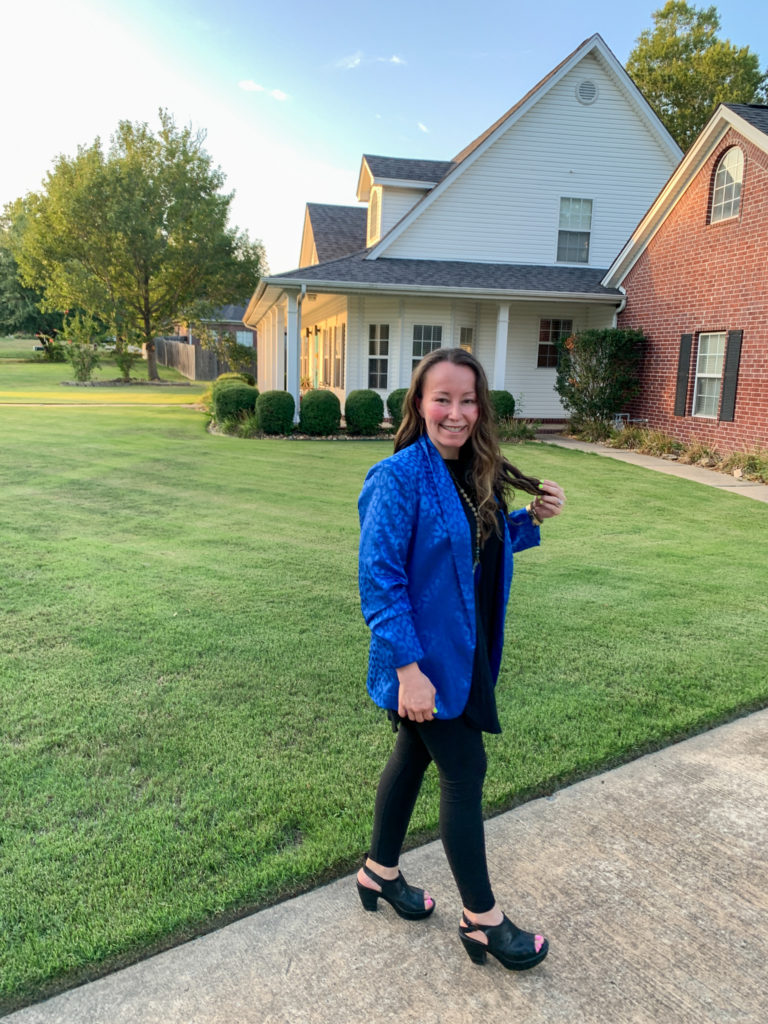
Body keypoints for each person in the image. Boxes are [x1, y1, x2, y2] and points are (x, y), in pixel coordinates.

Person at [356, 346, 565, 971]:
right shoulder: (396, 478)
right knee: (464, 771)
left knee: (412, 760)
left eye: (468, 399)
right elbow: (380, 581)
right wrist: (408, 672)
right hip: (425, 663)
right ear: (419, 404)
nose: (456, 412)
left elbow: (476, 546)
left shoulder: (475, 470)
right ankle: (483, 921)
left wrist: (529, 518)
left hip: (464, 652)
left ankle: (378, 873)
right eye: (442, 398)